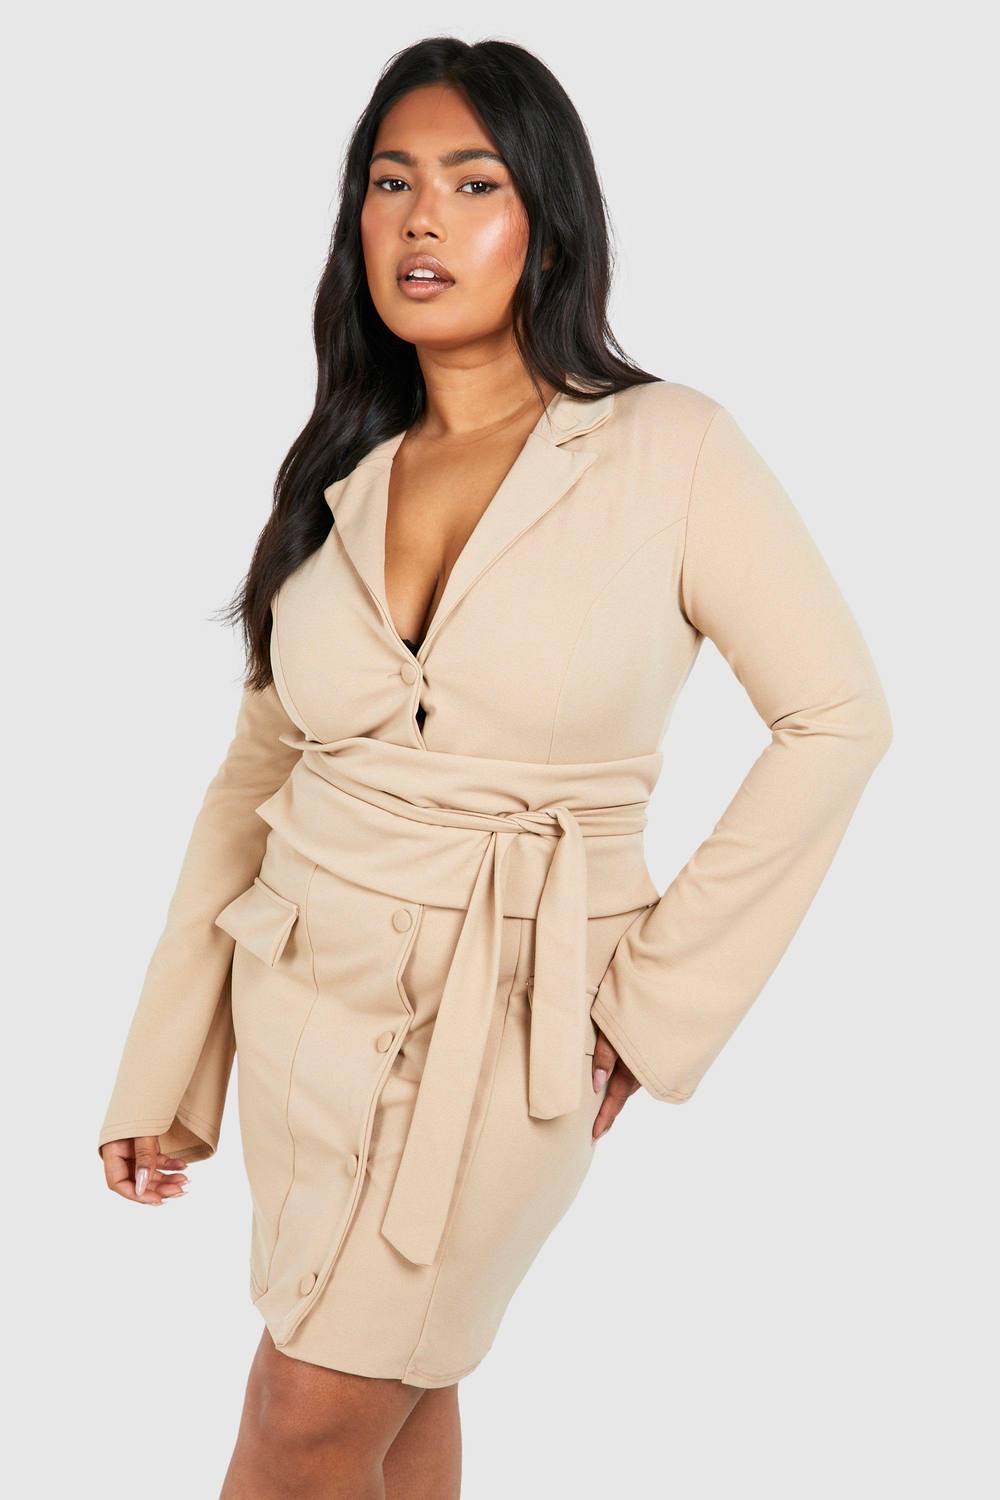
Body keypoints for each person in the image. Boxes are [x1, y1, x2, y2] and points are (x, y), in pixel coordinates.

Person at [96, 36, 892, 1500]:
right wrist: (168, 1061)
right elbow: (253, 778)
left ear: (549, 223)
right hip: (300, 1007)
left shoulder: (669, 450)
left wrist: (651, 1004)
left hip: (506, 1015)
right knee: (401, 1403)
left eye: (474, 184)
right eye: (390, 182)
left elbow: (838, 717)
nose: (423, 220)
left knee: (302, 1416)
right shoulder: (337, 471)